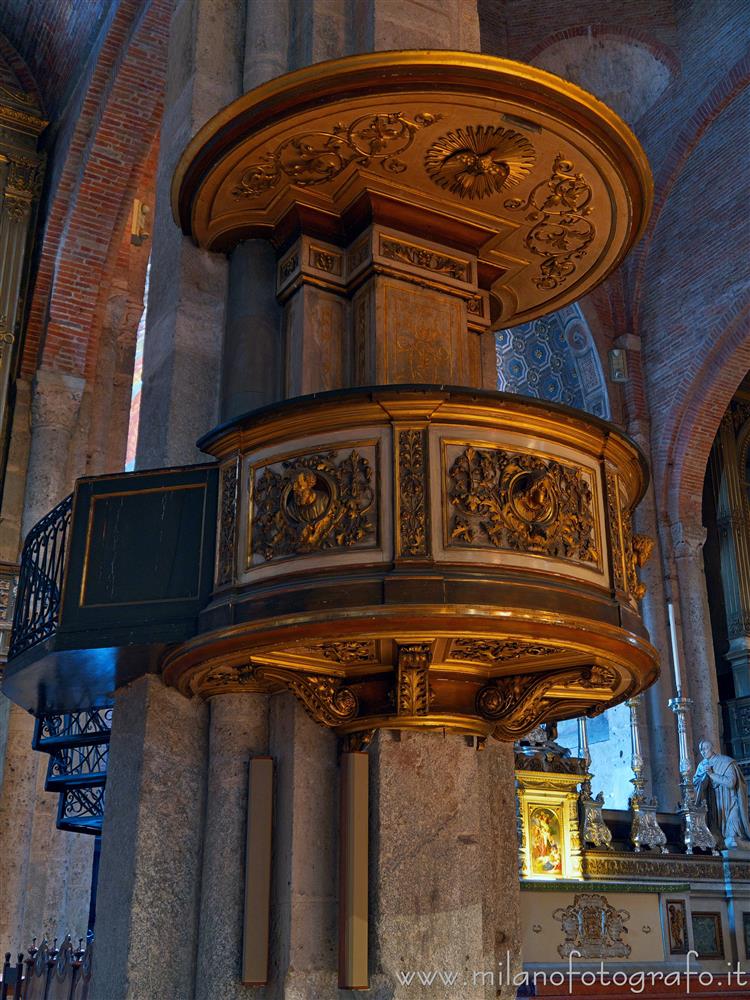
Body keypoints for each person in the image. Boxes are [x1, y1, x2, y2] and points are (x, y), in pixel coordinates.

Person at [693, 738, 750, 849]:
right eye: (701, 750)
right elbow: (697, 785)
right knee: (715, 838)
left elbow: (730, 783)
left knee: (732, 836)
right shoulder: (701, 766)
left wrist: (711, 774)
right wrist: (704, 778)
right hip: (715, 805)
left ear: (712, 748)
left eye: (706, 748)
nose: (703, 751)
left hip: (731, 803)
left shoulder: (726, 762)